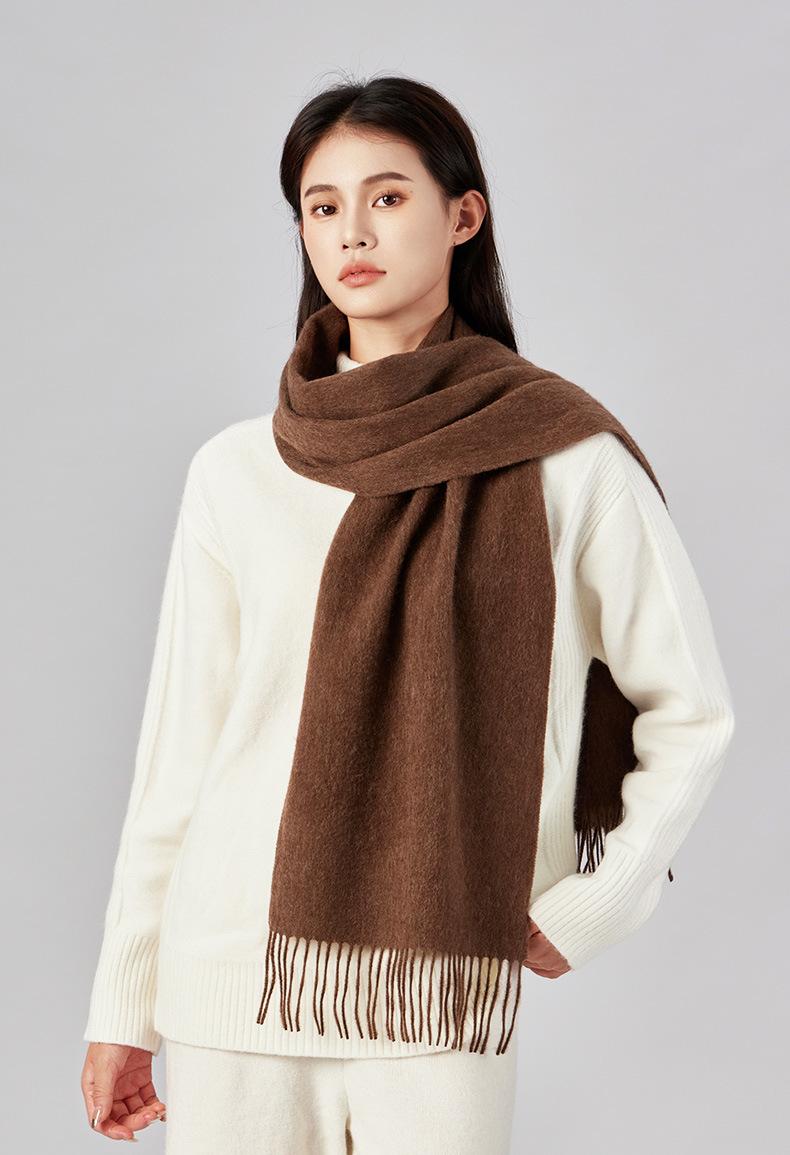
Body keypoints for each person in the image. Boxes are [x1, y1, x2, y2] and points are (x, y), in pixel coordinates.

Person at [80, 75, 735, 1152]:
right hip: (227, 976)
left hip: (436, 978)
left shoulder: (562, 457)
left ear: (462, 216)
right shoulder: (236, 471)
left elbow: (692, 710)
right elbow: (178, 754)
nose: (352, 231)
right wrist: (123, 1003)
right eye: (323, 206)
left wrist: (601, 900)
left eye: (386, 197)